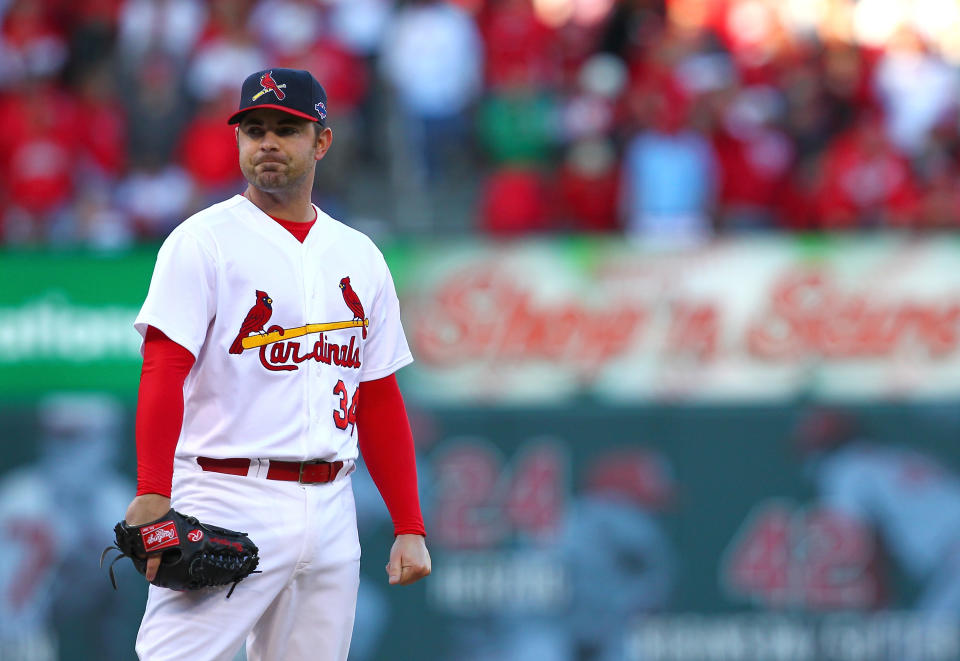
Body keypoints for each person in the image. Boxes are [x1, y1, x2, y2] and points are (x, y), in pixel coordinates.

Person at [122, 67, 431, 661]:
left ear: (321, 142)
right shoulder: (203, 241)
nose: (267, 142)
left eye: (286, 129)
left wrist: (408, 523)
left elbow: (379, 396)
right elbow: (162, 368)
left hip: (333, 503)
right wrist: (153, 491)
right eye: (253, 128)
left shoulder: (359, 255)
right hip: (224, 494)